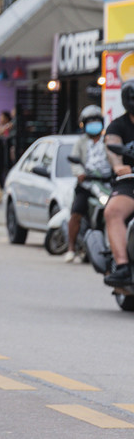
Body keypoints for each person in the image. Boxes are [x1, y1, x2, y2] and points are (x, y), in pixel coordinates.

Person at [67, 105, 109, 263]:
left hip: (105, 184)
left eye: (96, 121)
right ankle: (71, 248)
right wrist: (80, 173)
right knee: (76, 212)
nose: (94, 124)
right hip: (86, 185)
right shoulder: (81, 142)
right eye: (90, 121)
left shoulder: (108, 140)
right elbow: (74, 161)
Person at [104, 82, 134, 287]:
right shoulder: (117, 126)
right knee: (113, 211)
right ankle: (123, 266)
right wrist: (118, 166)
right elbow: (112, 149)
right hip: (129, 182)